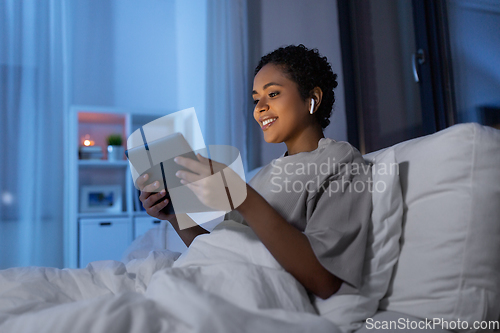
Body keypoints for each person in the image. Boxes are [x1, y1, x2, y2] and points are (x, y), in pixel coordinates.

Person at [138, 44, 372, 300]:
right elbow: (221, 248)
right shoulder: (262, 176)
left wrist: (242, 196)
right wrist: (174, 215)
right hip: (208, 279)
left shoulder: (339, 160)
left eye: (272, 94)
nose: (259, 108)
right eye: (255, 99)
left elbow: (326, 280)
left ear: (313, 98)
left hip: (249, 293)